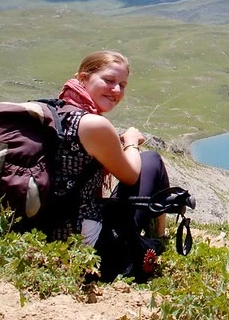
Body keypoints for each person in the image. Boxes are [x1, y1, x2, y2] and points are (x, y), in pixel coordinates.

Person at [45, 50, 170, 278]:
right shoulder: (93, 124)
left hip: (44, 229)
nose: (116, 91)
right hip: (83, 243)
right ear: (83, 78)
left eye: (122, 85)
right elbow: (131, 176)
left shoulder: (56, 112)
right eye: (109, 81)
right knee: (151, 161)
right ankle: (157, 239)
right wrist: (131, 142)